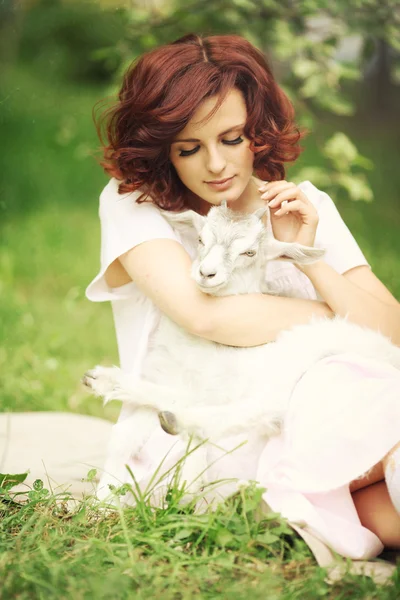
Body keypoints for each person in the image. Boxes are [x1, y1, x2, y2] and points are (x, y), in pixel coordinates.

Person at [86, 33, 400, 559]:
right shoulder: (133, 205)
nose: (215, 165)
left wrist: (309, 257)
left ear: (258, 131)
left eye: (231, 139)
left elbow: (390, 328)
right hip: (203, 432)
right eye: (189, 148)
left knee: (372, 495)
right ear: (163, 148)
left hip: (317, 427)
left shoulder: (302, 204)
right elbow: (204, 316)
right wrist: (333, 318)